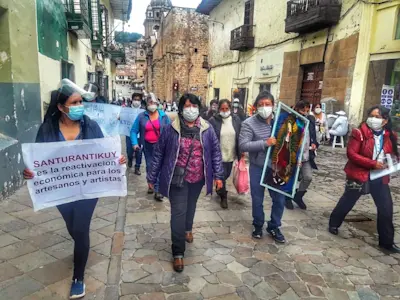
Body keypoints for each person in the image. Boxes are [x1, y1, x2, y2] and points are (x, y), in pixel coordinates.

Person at [24, 88, 126, 299]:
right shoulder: (47, 129)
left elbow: (103, 151)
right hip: (61, 188)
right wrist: (29, 172)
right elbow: (37, 158)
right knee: (73, 227)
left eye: (81, 102)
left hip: (88, 189)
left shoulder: (90, 125)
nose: (80, 106)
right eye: (75, 102)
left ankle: (78, 277)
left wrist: (117, 160)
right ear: (61, 107)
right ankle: (81, 244)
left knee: (80, 227)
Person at [147, 93, 224, 272]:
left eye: (194, 106)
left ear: (199, 108)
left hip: (198, 177)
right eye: (187, 106)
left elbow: (215, 152)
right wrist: (152, 177)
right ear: (181, 109)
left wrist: (218, 176)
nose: (191, 109)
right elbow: (158, 153)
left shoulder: (207, 128)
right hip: (177, 179)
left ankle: (188, 228)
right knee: (178, 213)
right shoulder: (170, 128)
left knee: (191, 205)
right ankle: (178, 252)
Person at [329, 105, 400, 253]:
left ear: (385, 121)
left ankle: (386, 242)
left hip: (380, 177)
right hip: (360, 173)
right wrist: (372, 163)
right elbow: (352, 154)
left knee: (386, 208)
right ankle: (334, 223)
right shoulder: (359, 132)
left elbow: (394, 154)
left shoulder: (390, 135)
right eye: (371, 115)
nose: (373, 119)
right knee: (348, 200)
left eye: (377, 117)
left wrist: (391, 163)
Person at [239, 91, 287, 243]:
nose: (264, 108)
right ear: (255, 107)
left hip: (278, 167)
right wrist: (264, 143)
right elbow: (243, 145)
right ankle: (258, 224)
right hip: (258, 167)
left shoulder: (282, 121)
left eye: (268, 104)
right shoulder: (248, 123)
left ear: (273, 105)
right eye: (261, 105)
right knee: (257, 199)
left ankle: (274, 226)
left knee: (279, 199)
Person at [131, 93, 170, 201]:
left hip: (161, 146)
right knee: (150, 166)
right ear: (146, 104)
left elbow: (170, 131)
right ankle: (151, 182)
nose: (152, 104)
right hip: (147, 146)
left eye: (153, 102)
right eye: (150, 102)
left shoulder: (163, 116)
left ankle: (158, 190)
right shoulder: (141, 117)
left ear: (157, 104)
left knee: (160, 167)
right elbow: (134, 131)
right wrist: (134, 143)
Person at [209, 99, 242, 209]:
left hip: (230, 153)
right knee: (221, 175)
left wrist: (241, 152)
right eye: (222, 109)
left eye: (226, 108)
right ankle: (223, 196)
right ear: (218, 109)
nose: (224, 111)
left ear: (230, 109)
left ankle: (219, 187)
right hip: (218, 154)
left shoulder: (236, 120)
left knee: (226, 174)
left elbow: (240, 135)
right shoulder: (213, 121)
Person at [285, 101, 318, 210]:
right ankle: (287, 198)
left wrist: (314, 143)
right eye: (303, 110)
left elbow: (313, 136)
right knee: (291, 177)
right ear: (297, 110)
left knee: (308, 177)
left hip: (306, 155)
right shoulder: (292, 121)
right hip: (294, 155)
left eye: (307, 111)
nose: (305, 113)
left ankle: (298, 196)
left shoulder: (310, 120)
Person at [127, 93, 144, 175]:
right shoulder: (126, 110)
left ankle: (137, 167)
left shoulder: (144, 111)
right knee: (129, 151)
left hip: (140, 135)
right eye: (135, 99)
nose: (136, 101)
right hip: (128, 134)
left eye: (138, 100)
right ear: (132, 100)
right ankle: (130, 159)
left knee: (139, 152)